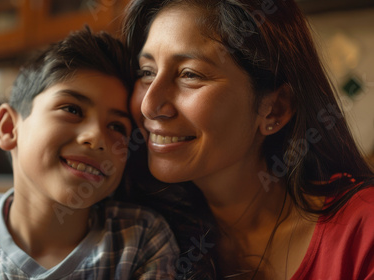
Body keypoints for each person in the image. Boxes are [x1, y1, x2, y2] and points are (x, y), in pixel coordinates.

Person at [0, 27, 179, 280]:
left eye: (117, 126)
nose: (96, 137)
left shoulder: (141, 239)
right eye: (72, 109)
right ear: (7, 127)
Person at [121, 0, 374, 279]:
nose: (149, 105)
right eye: (147, 72)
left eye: (189, 74)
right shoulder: (137, 237)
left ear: (274, 109)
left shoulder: (363, 230)